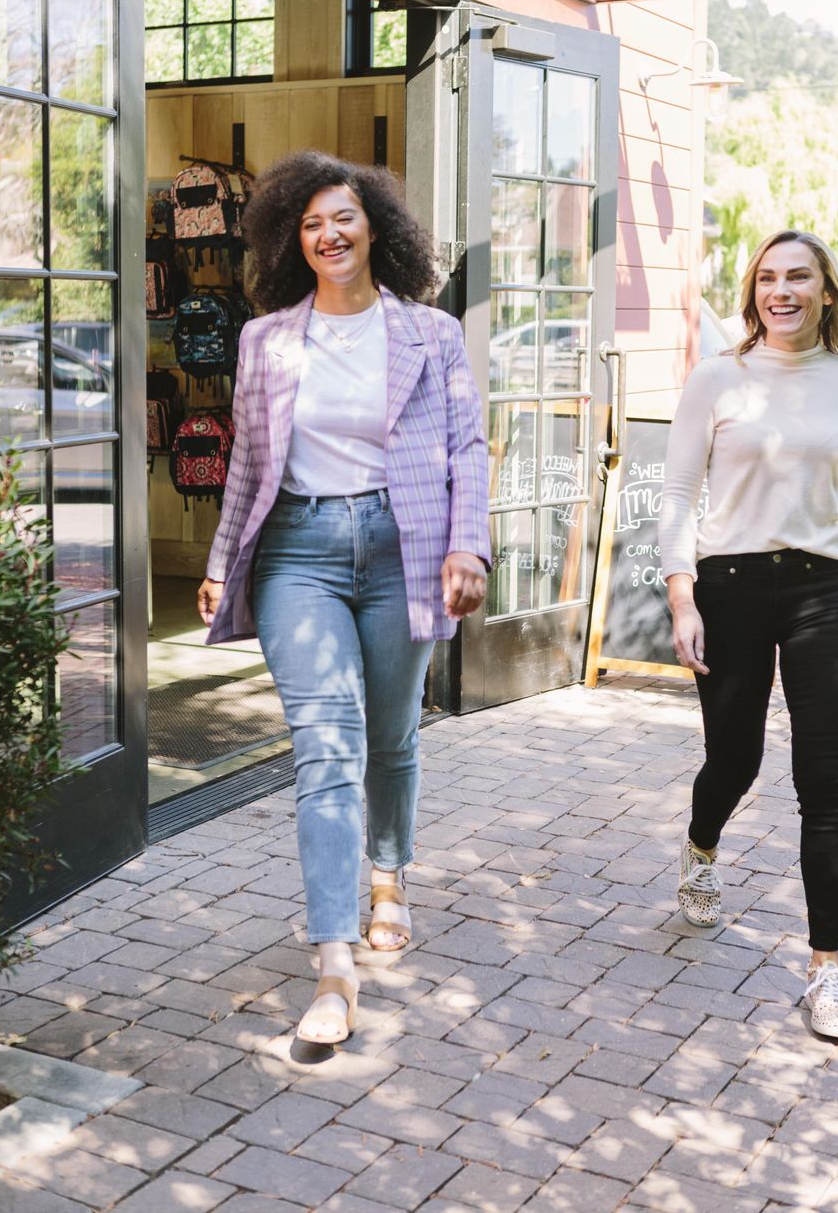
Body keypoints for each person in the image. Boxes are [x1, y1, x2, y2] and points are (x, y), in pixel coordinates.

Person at [197, 151, 489, 1046]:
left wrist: (466, 544)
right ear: (296, 238)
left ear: (376, 231)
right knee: (327, 747)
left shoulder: (429, 335)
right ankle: (334, 963)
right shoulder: (267, 339)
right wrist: (220, 559)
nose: (329, 234)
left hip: (401, 544)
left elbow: (467, 446)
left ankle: (389, 875)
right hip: (299, 552)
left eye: (345, 219)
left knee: (391, 734)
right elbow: (248, 461)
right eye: (312, 222)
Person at [659, 230, 838, 1040]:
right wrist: (684, 599)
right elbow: (677, 495)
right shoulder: (718, 375)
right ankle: (702, 847)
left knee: (824, 781)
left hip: (825, 588)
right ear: (753, 293)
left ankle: (827, 968)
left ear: (825, 291)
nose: (782, 291)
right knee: (735, 758)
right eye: (768, 278)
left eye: (799, 278)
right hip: (732, 586)